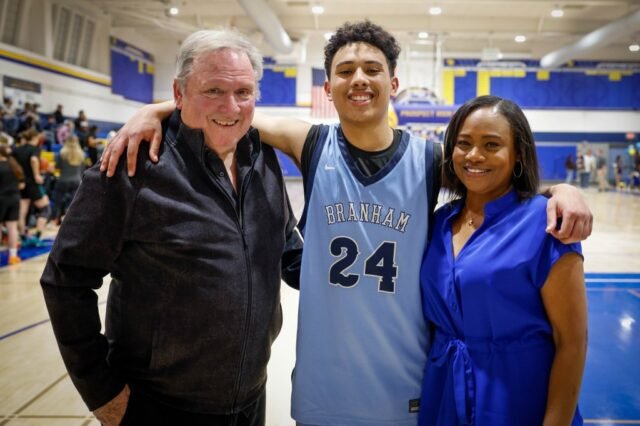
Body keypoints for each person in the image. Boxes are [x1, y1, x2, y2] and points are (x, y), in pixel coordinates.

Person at [101, 21, 593, 425]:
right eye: (345, 70)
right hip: (323, 389)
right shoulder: (312, 144)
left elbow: (491, 174)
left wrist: (560, 192)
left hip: (405, 386)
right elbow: (226, 111)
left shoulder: (428, 160)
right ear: (328, 88)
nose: (359, 78)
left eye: (372, 69)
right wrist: (153, 110)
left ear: (393, 84)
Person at [40, 29, 302, 426]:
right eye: (213, 90)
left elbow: (285, 248)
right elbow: (65, 279)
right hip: (159, 406)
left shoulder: (262, 160)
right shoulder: (133, 166)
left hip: (250, 398)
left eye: (243, 92)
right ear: (179, 93)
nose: (231, 106)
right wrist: (102, 393)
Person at [418, 95, 587, 425]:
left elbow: (572, 343)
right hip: (443, 394)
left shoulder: (545, 223)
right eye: (463, 143)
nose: (474, 155)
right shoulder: (438, 222)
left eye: (491, 145)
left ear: (518, 154)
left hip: (518, 398)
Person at [12, 128, 50, 246]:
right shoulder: (35, 148)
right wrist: (37, 175)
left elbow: (12, 164)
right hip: (32, 183)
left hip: (21, 183)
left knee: (22, 212)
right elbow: (34, 160)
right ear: (35, 137)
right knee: (45, 209)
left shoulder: (16, 149)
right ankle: (37, 238)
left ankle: (23, 238)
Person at [51, 135, 85, 224]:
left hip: (63, 180)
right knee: (73, 202)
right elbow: (82, 170)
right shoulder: (81, 154)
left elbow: (58, 167)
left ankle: (55, 220)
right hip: (76, 181)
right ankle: (69, 221)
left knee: (57, 201)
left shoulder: (62, 153)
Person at [0, 145, 25, 265]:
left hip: (1, 198)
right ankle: (13, 256)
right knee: (12, 228)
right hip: (15, 198)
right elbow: (22, 185)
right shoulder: (14, 165)